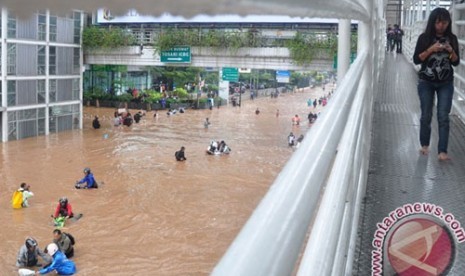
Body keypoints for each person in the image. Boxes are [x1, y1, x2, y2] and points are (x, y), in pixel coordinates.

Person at [413, 7, 459, 161]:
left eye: (445, 23)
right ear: (433, 22)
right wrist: (431, 49)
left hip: (446, 82)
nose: (441, 26)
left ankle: (442, 151)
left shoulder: (451, 38)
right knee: (426, 114)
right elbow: (417, 59)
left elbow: (456, 62)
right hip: (426, 81)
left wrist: (450, 50)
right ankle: (424, 145)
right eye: (439, 22)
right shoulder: (424, 38)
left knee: (443, 116)